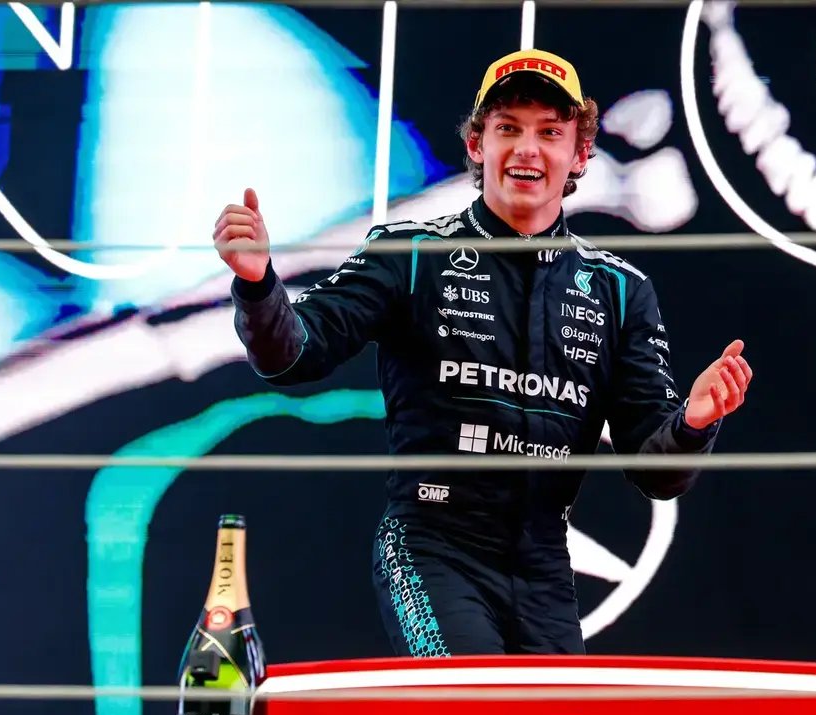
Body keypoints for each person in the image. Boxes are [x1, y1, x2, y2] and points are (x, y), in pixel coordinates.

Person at [218, 48, 754, 656]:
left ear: (580, 154)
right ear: (477, 145)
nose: (527, 149)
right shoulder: (409, 254)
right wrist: (258, 284)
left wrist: (694, 421)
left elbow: (655, 471)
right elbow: (293, 354)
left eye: (549, 132)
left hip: (545, 570)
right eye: (508, 128)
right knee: (473, 704)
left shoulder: (620, 291)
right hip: (431, 548)